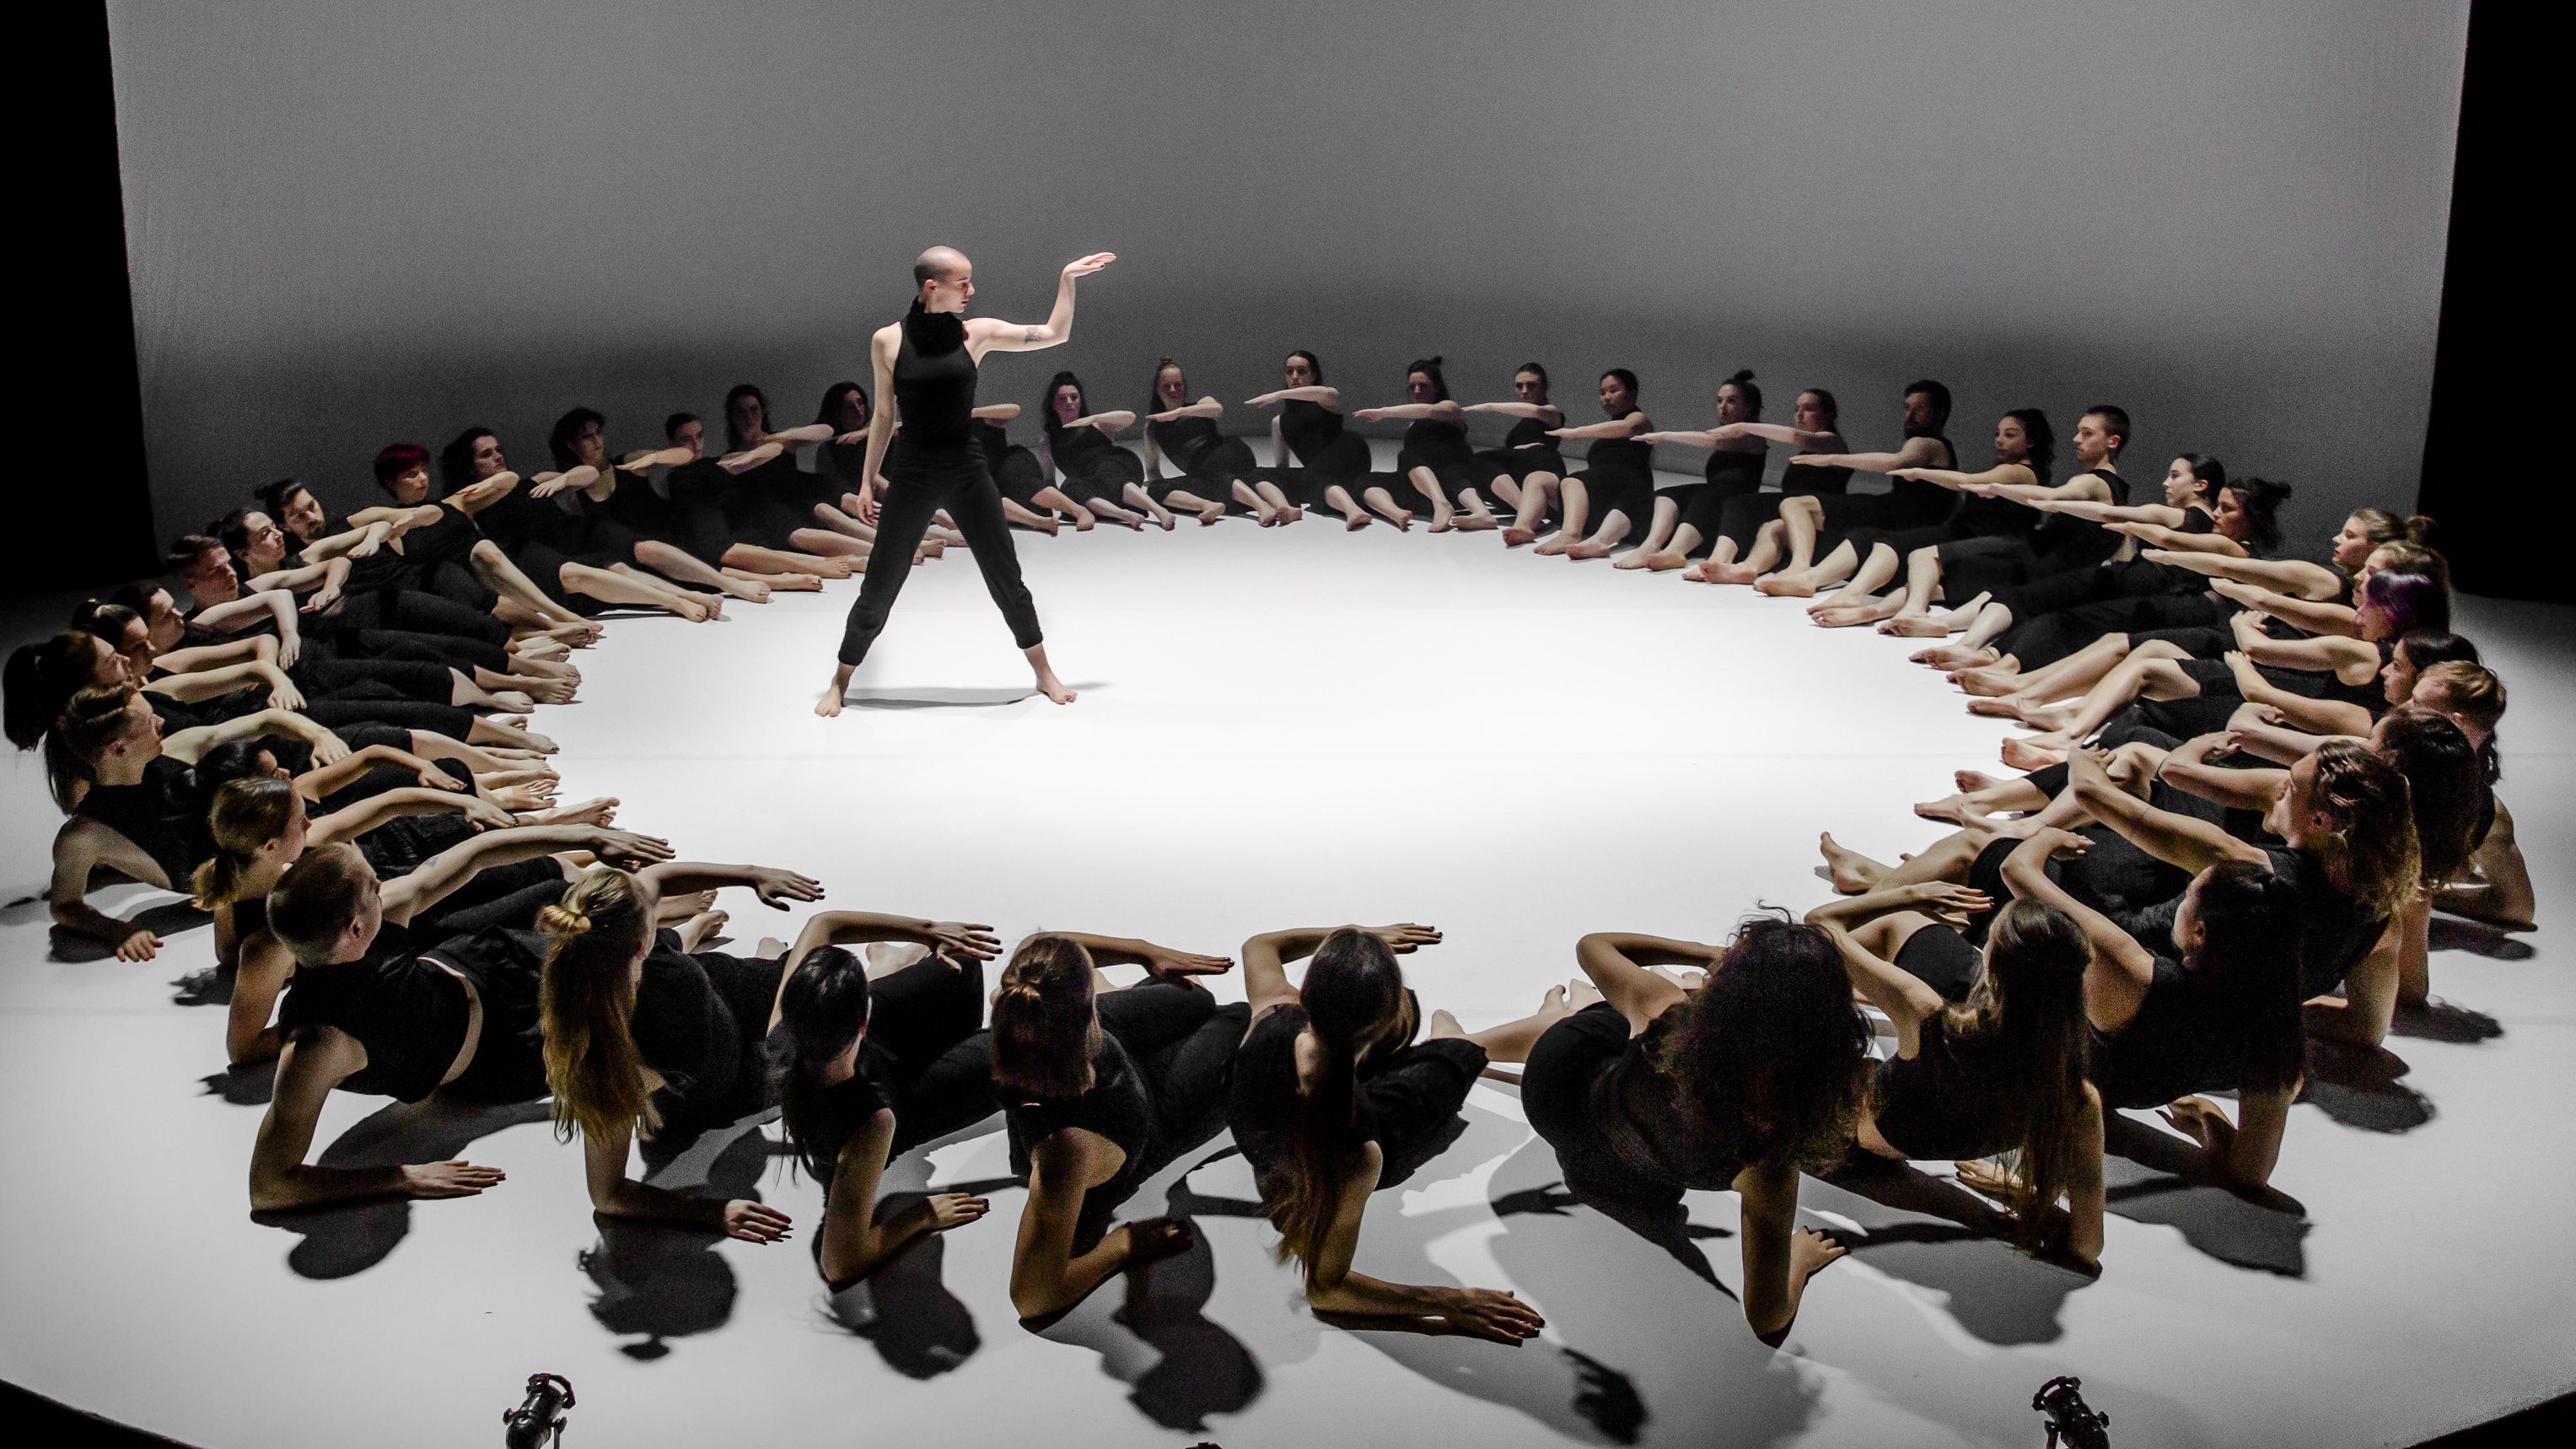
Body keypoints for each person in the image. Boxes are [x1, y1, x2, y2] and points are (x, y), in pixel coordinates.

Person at [248, 826, 674, 1211]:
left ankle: (671, 924)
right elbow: (270, 1187)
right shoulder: (318, 1044)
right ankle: (680, 934)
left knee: (609, 943)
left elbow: (477, 853)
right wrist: (402, 1178)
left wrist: (587, 836)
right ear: (354, 930)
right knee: (646, 991)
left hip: (484, 965)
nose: (383, 886)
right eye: (373, 888)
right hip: (503, 1053)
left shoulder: (379, 915)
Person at [1521, 918, 1868, 1344]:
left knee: (1601, 1015)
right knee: (1612, 1028)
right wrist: (1799, 1260)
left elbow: (1593, 945)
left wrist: (1703, 953)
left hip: (1553, 1094)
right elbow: (1768, 1318)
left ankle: (1552, 1015)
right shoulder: (1769, 1161)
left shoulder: (1665, 1010)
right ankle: (1559, 1013)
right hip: (1624, 1152)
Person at [1229, 924, 1566, 1339]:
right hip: (1336, 1140)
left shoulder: (1274, 1013)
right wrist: (1448, 1302)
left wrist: (1354, 938)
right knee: (1460, 1056)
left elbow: (1260, 944)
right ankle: (1462, 1038)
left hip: (1271, 1141)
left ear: (1307, 995)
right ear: (1385, 1022)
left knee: (1437, 1037)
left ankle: (1480, 1035)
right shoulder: (1359, 1151)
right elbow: (1326, 1291)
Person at [819, 246, 1110, 715]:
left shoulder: (977, 333)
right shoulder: (887, 341)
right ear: (932, 287)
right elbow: (884, 414)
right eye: (963, 283)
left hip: (966, 467)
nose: (972, 291)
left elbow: (1056, 334)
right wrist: (869, 480)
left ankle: (1044, 674)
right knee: (880, 582)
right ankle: (840, 679)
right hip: (912, 470)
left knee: (1005, 574)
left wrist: (1067, 278)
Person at [1804, 886, 2105, 1266]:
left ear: (1990, 966)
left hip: (1838, 1130)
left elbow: (1820, 925)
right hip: (1924, 1132)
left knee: (1862, 943)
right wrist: (2022, 1194)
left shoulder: (1929, 1018)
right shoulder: (2075, 1095)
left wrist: (1912, 893)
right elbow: (2087, 1245)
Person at [535, 861, 831, 1242]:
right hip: (740, 1074)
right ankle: (794, 960)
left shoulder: (591, 968)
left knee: (779, 975)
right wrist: (709, 1210)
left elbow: (656, 879)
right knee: (829, 994)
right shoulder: (615, 1050)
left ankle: (764, 957)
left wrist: (747, 879)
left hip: (725, 991)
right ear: (643, 943)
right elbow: (608, 1195)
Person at [2001, 835, 2307, 1192]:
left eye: (2187, 896)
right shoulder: (2276, 1035)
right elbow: (2250, 1171)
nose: (2179, 903)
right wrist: (2215, 1122)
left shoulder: (2134, 975)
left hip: (2005, 1047)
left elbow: (2017, 872)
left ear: (2200, 931)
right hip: (2087, 1091)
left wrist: (2047, 834)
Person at [988, 930, 1244, 1320]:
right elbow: (1032, 1297)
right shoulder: (1066, 1151)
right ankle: (1134, 997)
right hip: (1158, 1116)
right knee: (1237, 1016)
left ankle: (1134, 992)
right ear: (1089, 1005)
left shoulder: (1019, 1011)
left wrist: (1146, 952)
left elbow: (1038, 943)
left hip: (1112, 1051)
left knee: (1197, 997)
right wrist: (1125, 1245)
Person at [768, 911, 1009, 1290]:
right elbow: (840, 1264)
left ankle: (890, 964)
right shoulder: (868, 1122)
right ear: (864, 1014)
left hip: (870, 1051)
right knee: (1017, 1053)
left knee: (964, 958)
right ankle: (890, 967)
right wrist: (921, 1216)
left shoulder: (782, 1030)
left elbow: (823, 924)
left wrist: (928, 930)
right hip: (900, 1100)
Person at [1622, 370, 1771, 570]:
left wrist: (1666, 435)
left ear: (1749, 406)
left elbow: (1714, 441)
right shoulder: (1727, 433)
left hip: (1736, 499)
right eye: (1719, 401)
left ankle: (1675, 551)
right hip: (1716, 492)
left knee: (1706, 497)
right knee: (1668, 495)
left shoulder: (1752, 436)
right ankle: (1651, 544)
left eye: (1732, 401)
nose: (1723, 407)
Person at [1143, 359, 1297, 525]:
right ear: (1158, 390)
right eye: (1167, 386)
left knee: (1216, 474)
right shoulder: (1152, 427)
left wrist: (1180, 412)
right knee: (1156, 489)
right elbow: (1152, 470)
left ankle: (1262, 506)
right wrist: (1171, 486)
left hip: (1228, 454)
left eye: (1178, 385)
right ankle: (1282, 507)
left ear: (1184, 387)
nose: (1173, 390)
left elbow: (1217, 409)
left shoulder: (1201, 404)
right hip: (1201, 473)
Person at [1352, 357, 1498, 532]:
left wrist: (1383, 412)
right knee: (1364, 480)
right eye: (1412, 386)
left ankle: (1444, 505)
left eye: (1423, 386)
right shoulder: (1413, 423)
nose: (1417, 391)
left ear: (1437, 387)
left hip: (1450, 481)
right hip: (1422, 488)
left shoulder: (1450, 408)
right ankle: (1397, 513)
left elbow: (1430, 411)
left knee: (1407, 456)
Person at [1519, 369, 1654, 558]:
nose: (1606, 397)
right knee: (1538, 478)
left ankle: (1570, 534)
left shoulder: (1640, 420)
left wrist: (1576, 432)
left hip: (1626, 489)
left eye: (1613, 390)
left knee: (1572, 481)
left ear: (1632, 393)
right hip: (1601, 491)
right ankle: (1523, 527)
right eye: (1603, 392)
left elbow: (1627, 427)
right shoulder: (1608, 429)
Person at [1247, 350, 1379, 530]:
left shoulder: (1327, 398)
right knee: (1257, 473)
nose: (1294, 377)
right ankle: (1285, 507)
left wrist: (1279, 394)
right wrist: (1282, 481)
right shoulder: (1278, 422)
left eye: (1301, 371)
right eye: (1289, 371)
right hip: (1317, 470)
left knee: (1315, 476)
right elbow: (1282, 466)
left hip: (1347, 455)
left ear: (1314, 374)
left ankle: (1352, 510)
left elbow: (1323, 392)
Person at [1037, 371, 1154, 529]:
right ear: (1053, 404)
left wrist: (1094, 418)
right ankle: (1124, 513)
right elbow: (1049, 481)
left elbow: (1130, 417)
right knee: (1069, 487)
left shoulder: (1097, 424)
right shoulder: (1048, 442)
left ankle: (1156, 509)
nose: (1069, 403)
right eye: (1062, 399)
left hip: (1120, 468)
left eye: (1074, 397)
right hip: (1092, 487)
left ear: (1080, 400)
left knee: (1108, 473)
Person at [1459, 363, 1565, 525]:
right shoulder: (1523, 422)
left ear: (1544, 388)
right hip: (1521, 467)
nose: (1524, 391)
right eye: (1519, 386)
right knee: (1473, 471)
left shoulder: (1551, 412)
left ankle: (1526, 514)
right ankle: (1528, 511)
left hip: (1541, 462)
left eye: (1531, 385)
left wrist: (1489, 406)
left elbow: (1535, 411)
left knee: (1480, 459)